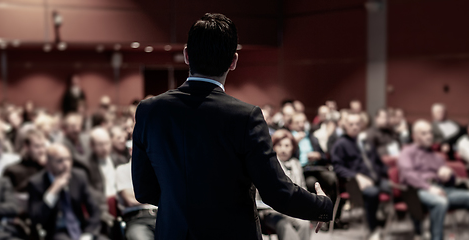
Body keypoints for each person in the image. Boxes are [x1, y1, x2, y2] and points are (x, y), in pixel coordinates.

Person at [132, 13, 332, 240]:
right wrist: (321, 206)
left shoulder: (149, 110)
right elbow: (276, 192)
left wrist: (182, 205)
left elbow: (144, 190)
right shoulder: (246, 117)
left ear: (187, 55)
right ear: (234, 61)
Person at [398, 120, 469, 240]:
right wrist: (429, 188)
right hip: (416, 191)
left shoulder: (436, 156)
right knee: (440, 202)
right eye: (424, 133)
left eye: (430, 133)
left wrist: (449, 174)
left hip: (441, 189)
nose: (429, 136)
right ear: (414, 136)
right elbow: (408, 175)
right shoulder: (407, 152)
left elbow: (451, 182)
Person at [331, 112, 390, 240]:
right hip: (354, 183)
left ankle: (387, 222)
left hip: (376, 179)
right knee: (372, 193)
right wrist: (357, 176)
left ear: (362, 125)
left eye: (357, 124)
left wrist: (389, 174)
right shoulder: (340, 144)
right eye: (351, 124)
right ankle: (373, 229)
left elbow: (379, 163)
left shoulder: (366, 142)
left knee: (400, 189)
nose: (355, 127)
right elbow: (338, 168)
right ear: (345, 125)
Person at [27, 144, 102, 240]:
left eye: (68, 159)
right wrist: (53, 191)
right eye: (60, 161)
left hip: (82, 229)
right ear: (48, 163)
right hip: (56, 231)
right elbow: (37, 218)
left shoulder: (79, 176)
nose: (66, 164)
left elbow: (94, 210)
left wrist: (88, 234)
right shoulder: (37, 183)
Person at [258, 129, 310, 240]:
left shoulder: (296, 164)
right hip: (271, 210)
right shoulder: (269, 165)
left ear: (293, 147)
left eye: (287, 145)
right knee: (285, 226)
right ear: (273, 147)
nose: (283, 149)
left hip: (294, 209)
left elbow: (303, 188)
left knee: (305, 224)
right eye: (279, 145)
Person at [116, 161, 157, 240]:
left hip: (162, 216)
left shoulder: (158, 167)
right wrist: (158, 197)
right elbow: (130, 200)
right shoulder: (122, 169)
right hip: (138, 219)